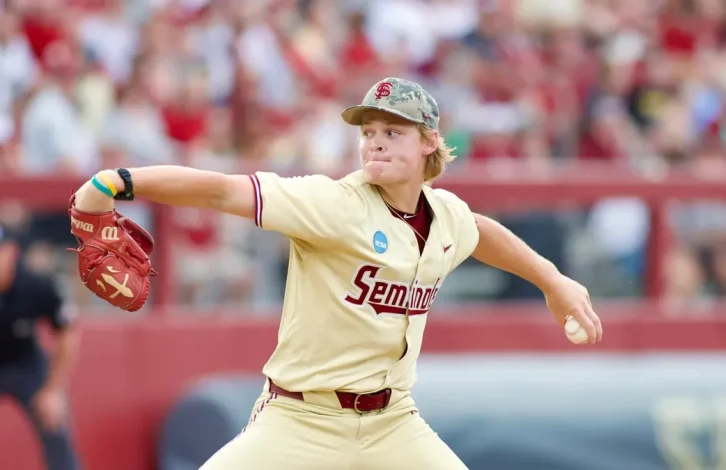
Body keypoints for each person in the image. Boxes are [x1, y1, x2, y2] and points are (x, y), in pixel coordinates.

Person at [71, 77, 602, 469]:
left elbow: (481, 231)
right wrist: (117, 181)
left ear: (429, 143)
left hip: (393, 422)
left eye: (393, 131)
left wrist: (553, 280)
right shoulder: (332, 203)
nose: (375, 141)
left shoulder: (445, 216)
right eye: (369, 131)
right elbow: (221, 189)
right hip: (302, 420)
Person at [0, 225, 81, 470]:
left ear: (10, 252)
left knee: (53, 419)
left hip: (26, 366)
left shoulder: (35, 285)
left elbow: (67, 330)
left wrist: (54, 390)